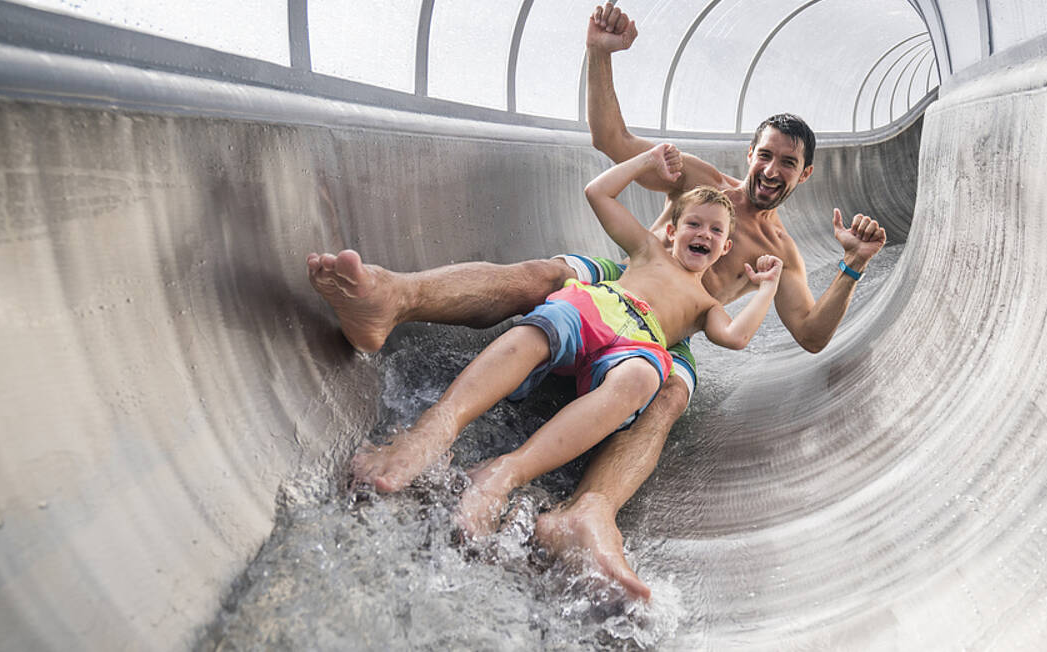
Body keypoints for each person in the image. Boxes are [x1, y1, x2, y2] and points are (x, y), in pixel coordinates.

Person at [313, 2, 887, 600]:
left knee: (666, 396)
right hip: (626, 273)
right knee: (543, 275)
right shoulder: (699, 182)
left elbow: (812, 332)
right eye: (764, 154)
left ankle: (588, 512)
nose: (771, 169)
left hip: (673, 329)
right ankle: (394, 298)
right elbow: (609, 140)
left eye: (787, 163)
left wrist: (852, 265)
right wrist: (599, 54)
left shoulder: (781, 251)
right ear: (750, 153)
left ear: (807, 175)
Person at [351, 143, 783, 544]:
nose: (702, 234)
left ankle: (505, 473)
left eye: (714, 231)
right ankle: (438, 427)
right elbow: (599, 193)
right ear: (672, 230)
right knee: (545, 326)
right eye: (693, 223)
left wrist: (766, 289)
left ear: (726, 247)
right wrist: (645, 163)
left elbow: (736, 337)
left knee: (640, 380)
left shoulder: (705, 304)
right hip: (599, 305)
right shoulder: (648, 251)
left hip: (639, 343)